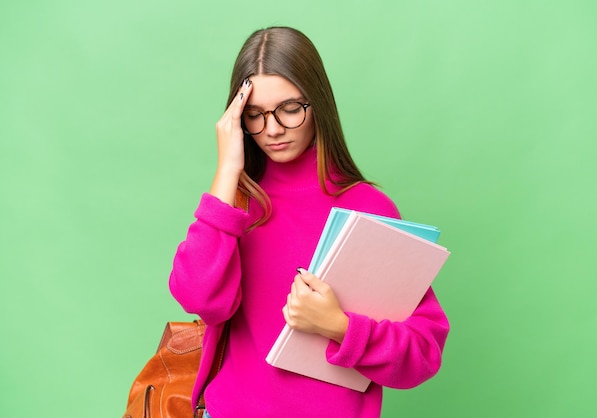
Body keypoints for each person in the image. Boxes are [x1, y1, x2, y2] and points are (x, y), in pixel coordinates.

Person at [169, 26, 449, 418]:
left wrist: (340, 327)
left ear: (317, 103)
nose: (272, 129)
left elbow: (422, 354)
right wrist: (227, 170)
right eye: (254, 115)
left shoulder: (367, 208)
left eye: (289, 108)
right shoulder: (234, 204)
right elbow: (199, 299)